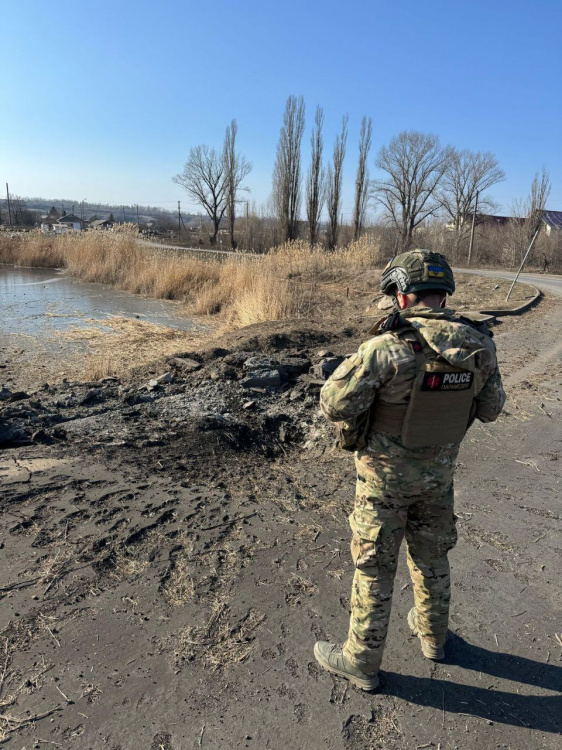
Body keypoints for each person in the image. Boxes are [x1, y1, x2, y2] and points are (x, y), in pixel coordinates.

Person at [314, 249, 505, 691]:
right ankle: (433, 637)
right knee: (432, 557)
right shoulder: (479, 345)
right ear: (443, 293)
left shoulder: (386, 349)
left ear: (401, 295)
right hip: (437, 479)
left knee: (374, 569)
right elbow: (492, 410)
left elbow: (334, 403)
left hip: (382, 483)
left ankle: (361, 661)